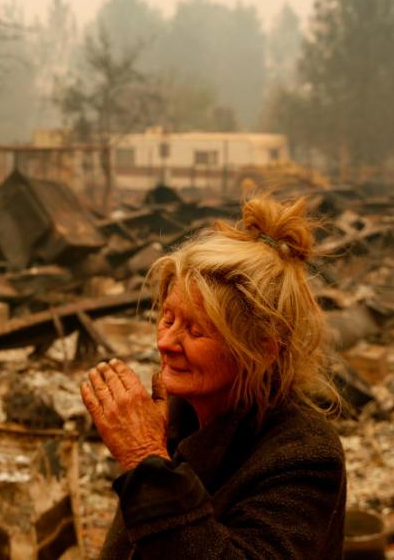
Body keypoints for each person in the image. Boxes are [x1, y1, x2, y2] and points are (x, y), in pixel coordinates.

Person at [80, 195, 347, 559]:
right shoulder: (179, 415)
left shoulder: (303, 456)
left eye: (195, 330)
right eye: (168, 318)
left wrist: (148, 463)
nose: (164, 341)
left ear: (262, 349)